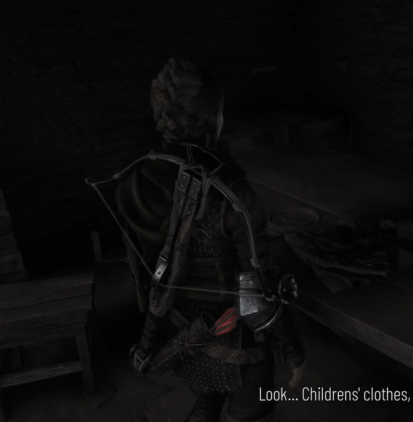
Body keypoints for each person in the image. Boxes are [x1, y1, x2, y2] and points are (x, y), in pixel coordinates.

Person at [112, 58, 305, 422]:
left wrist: (155, 333)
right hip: (236, 342)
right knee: (249, 415)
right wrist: (294, 350)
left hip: (182, 331)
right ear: (211, 118)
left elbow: (145, 273)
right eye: (220, 112)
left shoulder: (133, 182)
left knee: (206, 405)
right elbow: (254, 301)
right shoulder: (231, 195)